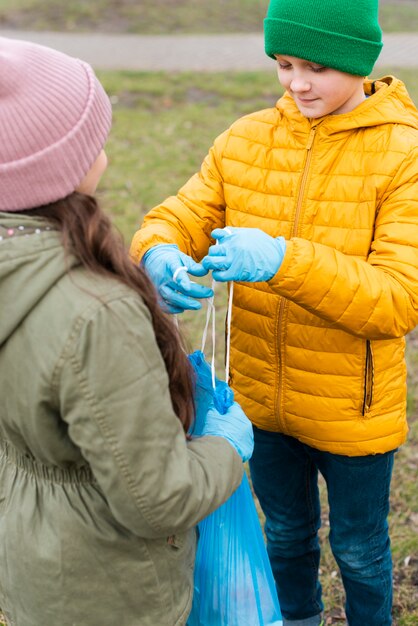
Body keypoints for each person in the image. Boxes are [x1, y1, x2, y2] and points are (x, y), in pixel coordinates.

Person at [130, 0, 418, 624]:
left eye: (316, 66)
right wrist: (156, 253)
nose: (296, 83)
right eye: (283, 63)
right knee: (285, 535)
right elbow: (178, 215)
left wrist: (284, 261)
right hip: (259, 399)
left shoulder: (403, 155)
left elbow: (397, 299)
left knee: (361, 551)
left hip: (353, 409)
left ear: (359, 61)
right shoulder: (245, 139)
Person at [0, 36, 254, 626]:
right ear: (57, 164)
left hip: (35, 558)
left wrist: (139, 287)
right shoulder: (98, 316)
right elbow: (157, 499)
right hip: (109, 587)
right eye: (92, 135)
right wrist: (225, 447)